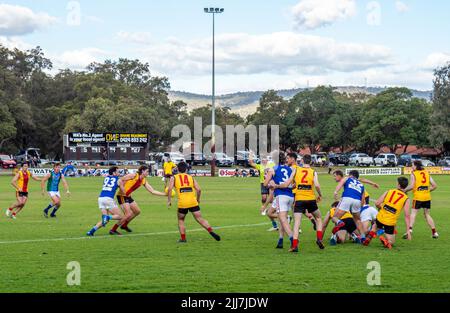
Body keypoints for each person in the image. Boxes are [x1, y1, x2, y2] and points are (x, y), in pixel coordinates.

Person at [273, 154, 324, 251]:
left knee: (297, 222)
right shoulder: (313, 172)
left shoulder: (296, 170)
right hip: (311, 198)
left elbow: (287, 184)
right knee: (318, 217)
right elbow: (317, 185)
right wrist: (320, 194)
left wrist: (276, 186)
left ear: (302, 161)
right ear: (311, 162)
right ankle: (319, 238)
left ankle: (295, 245)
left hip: (299, 199)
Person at [167, 161, 221, 243]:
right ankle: (210, 231)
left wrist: (169, 200)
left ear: (178, 169)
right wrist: (198, 199)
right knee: (200, 219)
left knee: (181, 220)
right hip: (193, 202)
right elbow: (199, 190)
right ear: (186, 169)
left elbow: (170, 189)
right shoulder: (191, 177)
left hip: (183, 203)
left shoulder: (173, 178)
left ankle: (183, 238)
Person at [110, 165, 165, 234]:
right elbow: (121, 179)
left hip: (128, 196)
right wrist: (122, 188)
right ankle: (113, 229)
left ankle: (124, 225)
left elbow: (152, 191)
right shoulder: (134, 175)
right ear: (142, 171)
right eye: (147, 171)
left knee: (137, 211)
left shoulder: (143, 180)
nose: (148, 173)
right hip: (122, 196)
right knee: (128, 214)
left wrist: (165, 194)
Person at [363, 177, 411, 249]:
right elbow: (407, 215)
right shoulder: (406, 199)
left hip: (380, 217)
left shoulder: (389, 191)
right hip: (390, 222)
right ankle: (387, 242)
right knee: (392, 241)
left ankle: (369, 237)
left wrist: (382, 207)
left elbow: (377, 203)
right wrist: (408, 231)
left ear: (398, 184)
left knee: (375, 226)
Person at [265, 152, 294, 250]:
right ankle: (280, 240)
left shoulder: (273, 169)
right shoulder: (290, 169)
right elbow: (293, 184)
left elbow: (265, 183)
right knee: (282, 219)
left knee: (283, 219)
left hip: (281, 196)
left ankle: (293, 240)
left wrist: (269, 182)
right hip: (290, 196)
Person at [403, 161, 439, 239]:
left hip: (418, 197)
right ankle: (434, 232)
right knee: (427, 214)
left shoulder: (413, 173)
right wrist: (426, 190)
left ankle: (410, 230)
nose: (411, 167)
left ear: (416, 166)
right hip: (427, 197)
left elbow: (412, 186)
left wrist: (404, 190)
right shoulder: (426, 172)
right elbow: (435, 186)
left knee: (413, 213)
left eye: (412, 165)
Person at [87, 166, 123, 236]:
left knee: (105, 221)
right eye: (118, 171)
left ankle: (91, 231)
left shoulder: (106, 178)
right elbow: (123, 191)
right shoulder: (118, 180)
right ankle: (107, 217)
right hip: (108, 199)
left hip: (101, 198)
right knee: (120, 216)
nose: (119, 173)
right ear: (114, 173)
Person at [332, 170, 366, 243]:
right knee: (357, 220)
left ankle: (339, 223)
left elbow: (341, 183)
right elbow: (363, 200)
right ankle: (363, 237)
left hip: (347, 198)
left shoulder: (347, 178)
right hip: (357, 201)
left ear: (351, 175)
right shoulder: (362, 185)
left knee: (335, 217)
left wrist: (336, 192)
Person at [249, 152, 278, 231]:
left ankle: (269, 209)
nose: (263, 160)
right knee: (264, 197)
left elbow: (277, 168)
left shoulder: (271, 165)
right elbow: (251, 163)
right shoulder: (260, 166)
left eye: (264, 159)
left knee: (271, 199)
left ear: (267, 159)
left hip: (270, 182)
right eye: (262, 159)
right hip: (263, 183)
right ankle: (265, 208)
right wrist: (250, 155)